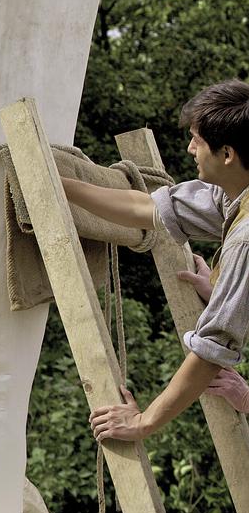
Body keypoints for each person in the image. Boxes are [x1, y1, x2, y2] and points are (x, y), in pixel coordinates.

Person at [63, 79, 249, 442]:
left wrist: (142, 423)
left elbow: (211, 350)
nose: (190, 148)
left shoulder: (244, 240)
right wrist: (60, 186)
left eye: (197, 140)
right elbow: (148, 209)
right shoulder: (235, 195)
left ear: (227, 154)